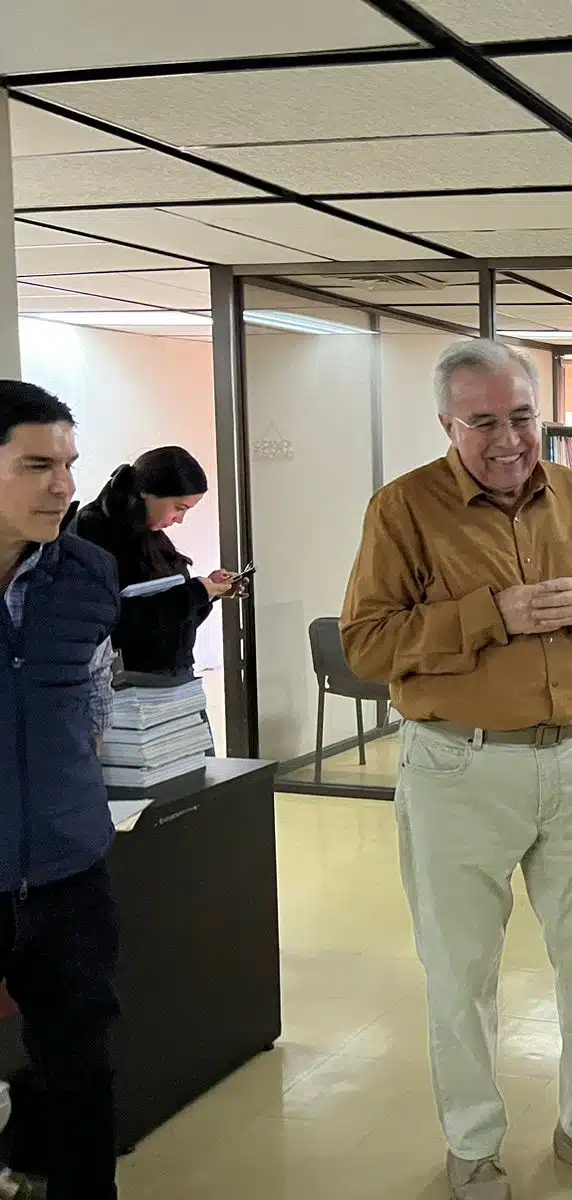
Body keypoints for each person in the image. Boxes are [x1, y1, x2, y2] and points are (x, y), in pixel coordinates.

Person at [340, 340, 572, 1200]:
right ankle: (473, 1148)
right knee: (461, 969)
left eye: (522, 418)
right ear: (448, 424)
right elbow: (367, 642)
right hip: (459, 769)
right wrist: (488, 615)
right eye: (484, 422)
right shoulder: (403, 509)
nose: (509, 439)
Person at [0, 381, 122, 1200]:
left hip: (70, 876)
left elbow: (93, 700)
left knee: (81, 1072)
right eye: (37, 465)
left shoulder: (88, 574)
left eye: (69, 464)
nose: (64, 486)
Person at [70, 446, 242, 681]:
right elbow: (112, 624)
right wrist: (193, 594)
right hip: (128, 687)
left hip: (174, 681)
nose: (180, 519)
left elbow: (171, 623)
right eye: (179, 508)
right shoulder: (90, 530)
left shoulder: (152, 533)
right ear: (146, 492)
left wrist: (208, 591)